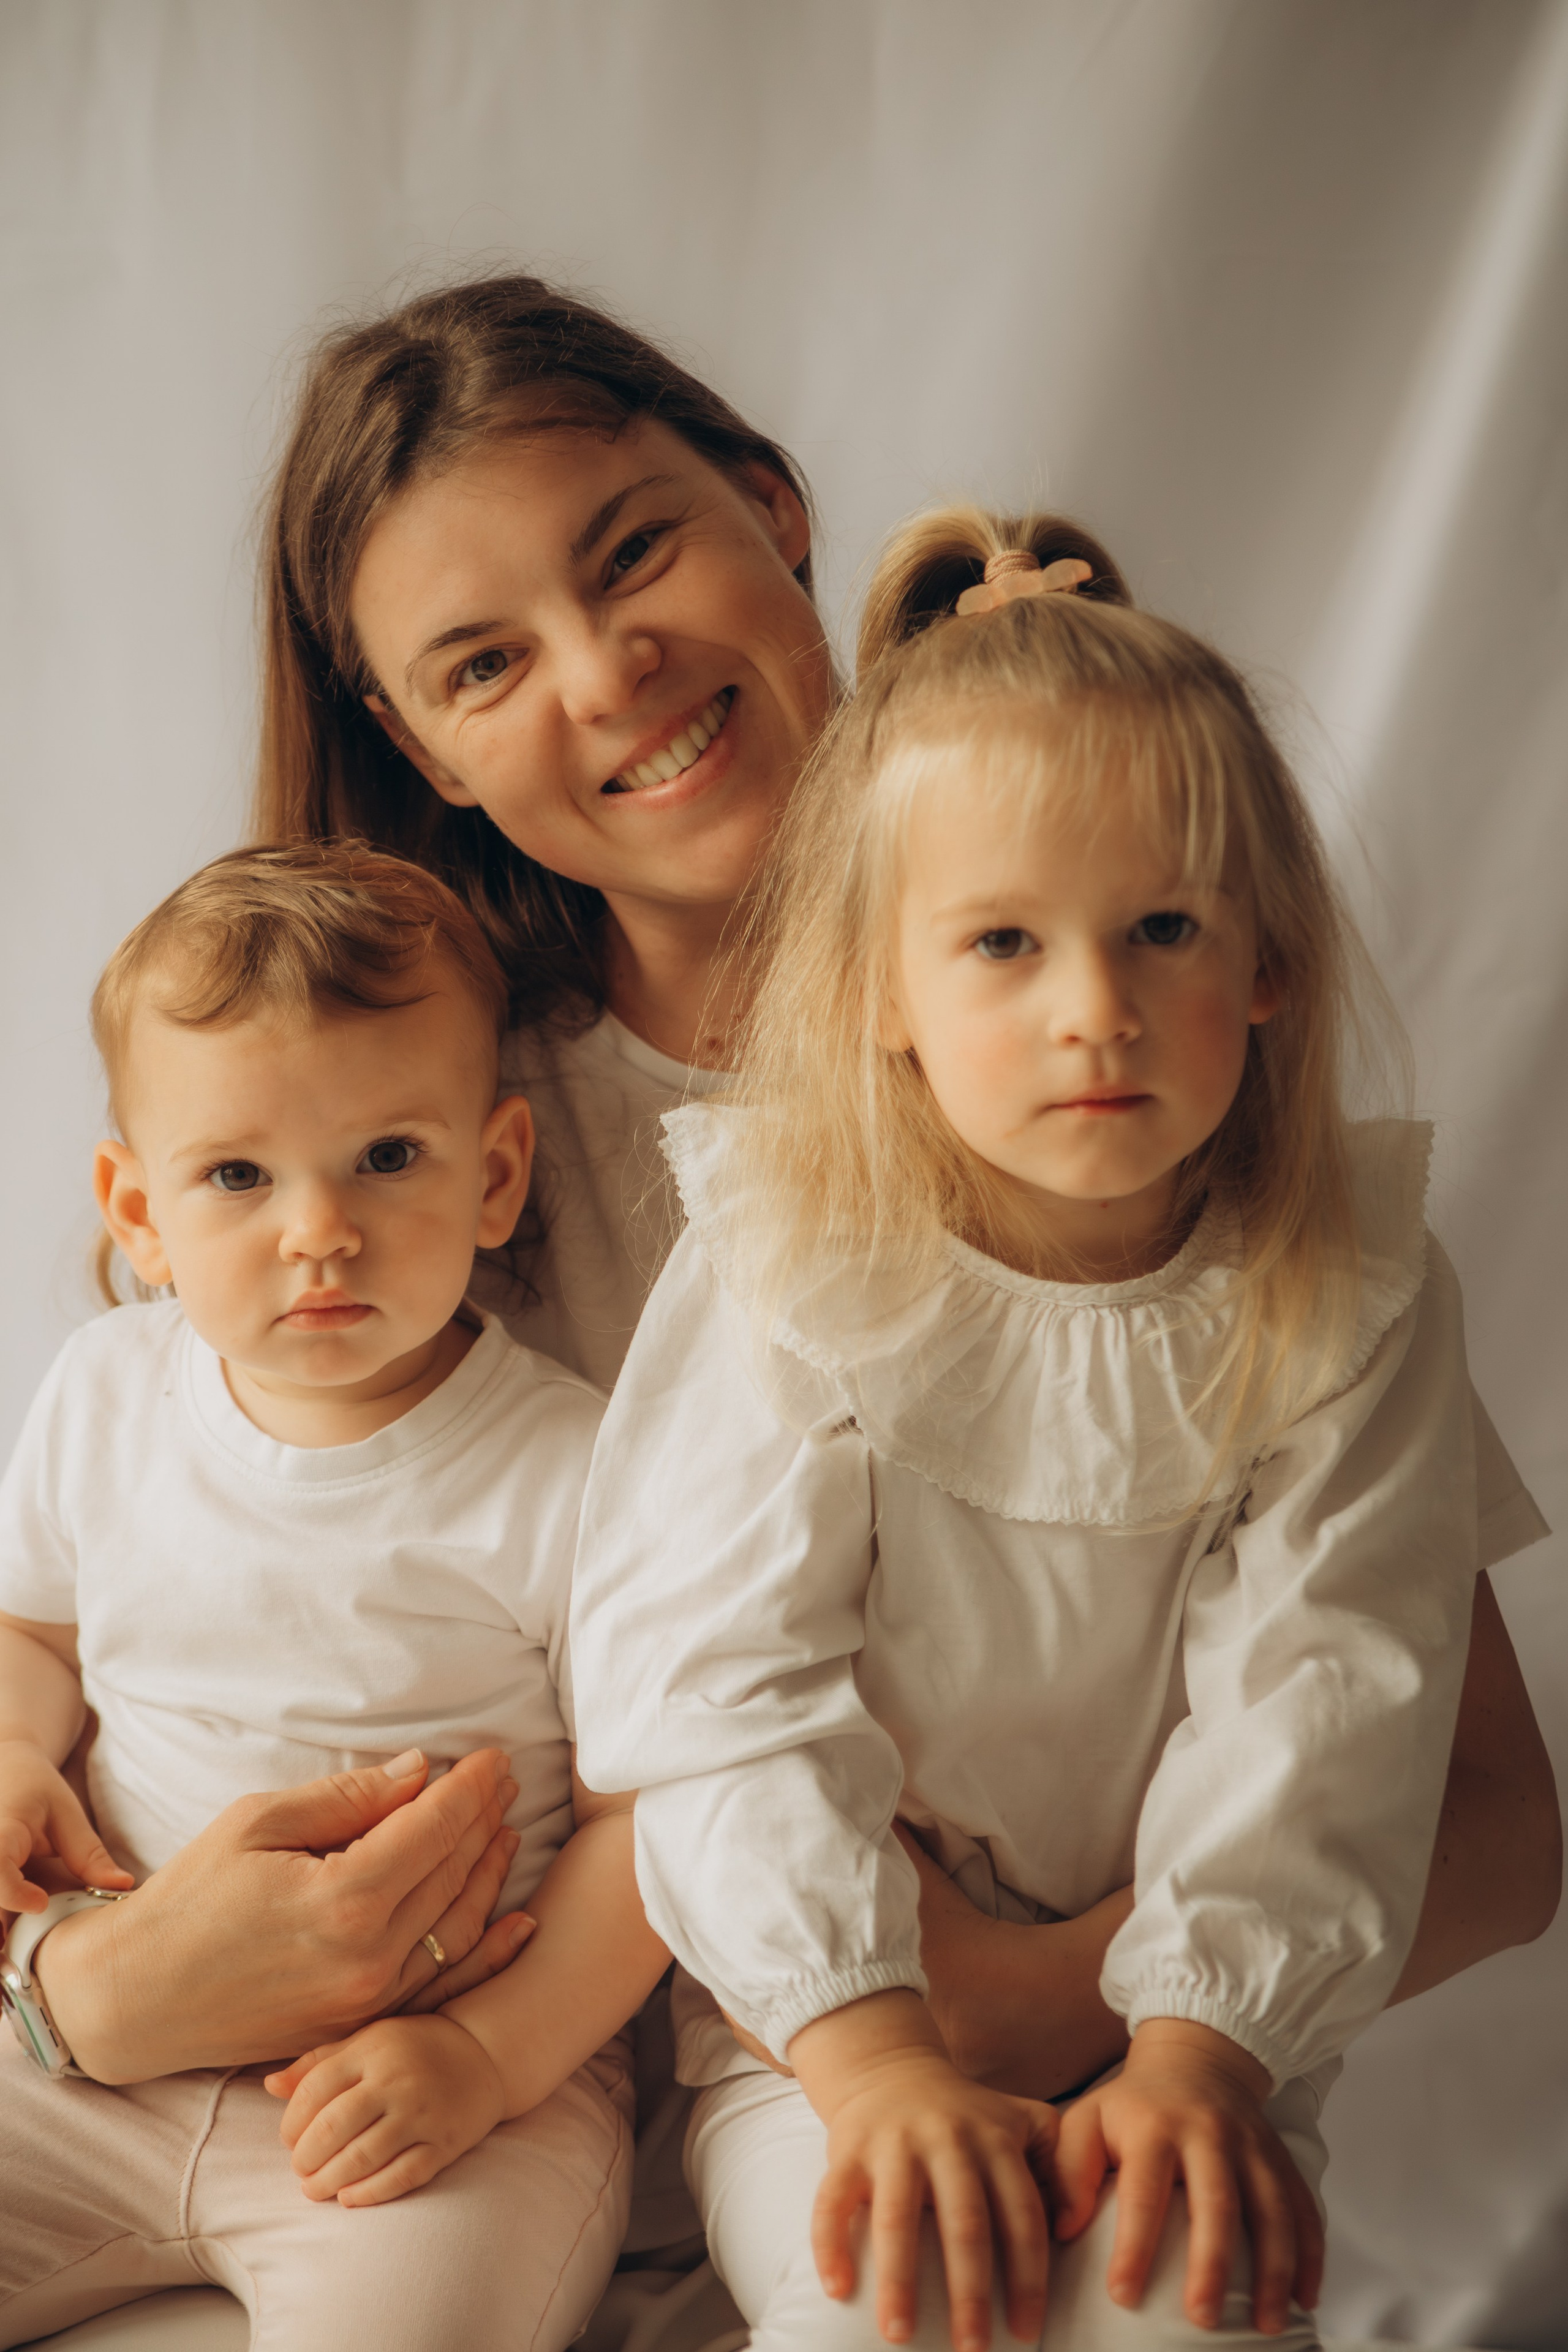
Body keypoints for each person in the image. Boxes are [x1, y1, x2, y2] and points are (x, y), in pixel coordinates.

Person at [18, 271, 1553, 2236]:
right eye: (483, 666)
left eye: (637, 548)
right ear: (416, 744)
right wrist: (85, 1989)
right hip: (483, 2180)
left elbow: (1493, 1823)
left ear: (775, 504)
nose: (606, 675)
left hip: (1050, 2132)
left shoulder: (1123, 1081)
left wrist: (1028, 2002)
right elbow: (123, 1655)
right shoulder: (395, 1165)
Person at [565, 510, 1555, 2352]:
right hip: (827, 2029)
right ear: (884, 995)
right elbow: (713, 1697)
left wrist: (1199, 2053)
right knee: (905, 2317)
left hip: (1208, 2027)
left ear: (1264, 960)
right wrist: (875, 2069)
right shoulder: (797, 1264)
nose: (1093, 1013)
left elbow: (1331, 1702)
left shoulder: (1346, 1290)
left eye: (1161, 929)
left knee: (1185, 2321)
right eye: (1003, 943)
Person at [0, 843, 668, 2349]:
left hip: (445, 2092)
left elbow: (651, 1821)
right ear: (138, 1211)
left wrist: (492, 2063)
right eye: (237, 1175)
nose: (319, 1230)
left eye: (387, 1158)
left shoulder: (568, 1466)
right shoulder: (108, 1395)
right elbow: (35, 1631)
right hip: (107, 2043)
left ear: (495, 1173)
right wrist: (15, 1753)